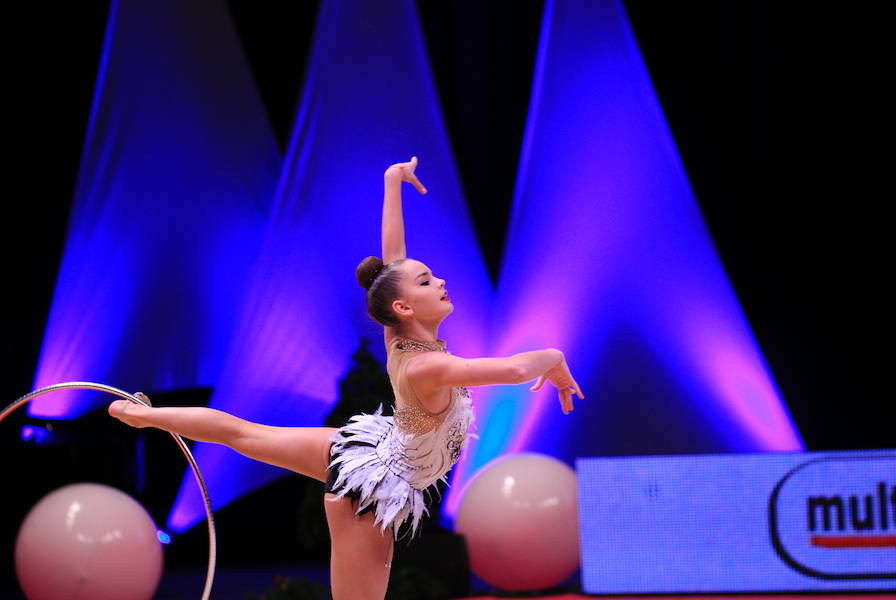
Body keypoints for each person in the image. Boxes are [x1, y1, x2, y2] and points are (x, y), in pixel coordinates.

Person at [108, 156, 583, 600]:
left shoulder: (401, 338)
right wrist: (556, 356)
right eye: (426, 281)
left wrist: (391, 183)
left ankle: (140, 415)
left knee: (244, 433)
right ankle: (142, 415)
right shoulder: (425, 365)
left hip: (373, 452)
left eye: (431, 276)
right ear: (403, 307)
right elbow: (518, 368)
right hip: (375, 486)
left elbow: (392, 259)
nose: (439, 281)